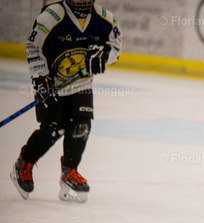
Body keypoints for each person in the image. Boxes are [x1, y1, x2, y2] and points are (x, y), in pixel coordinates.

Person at [10, 0, 122, 203]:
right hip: (51, 83)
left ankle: (70, 171)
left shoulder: (104, 18)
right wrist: (41, 78)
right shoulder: (52, 16)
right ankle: (24, 163)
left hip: (81, 83)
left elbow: (115, 46)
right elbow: (34, 47)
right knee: (53, 128)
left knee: (81, 126)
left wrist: (104, 55)